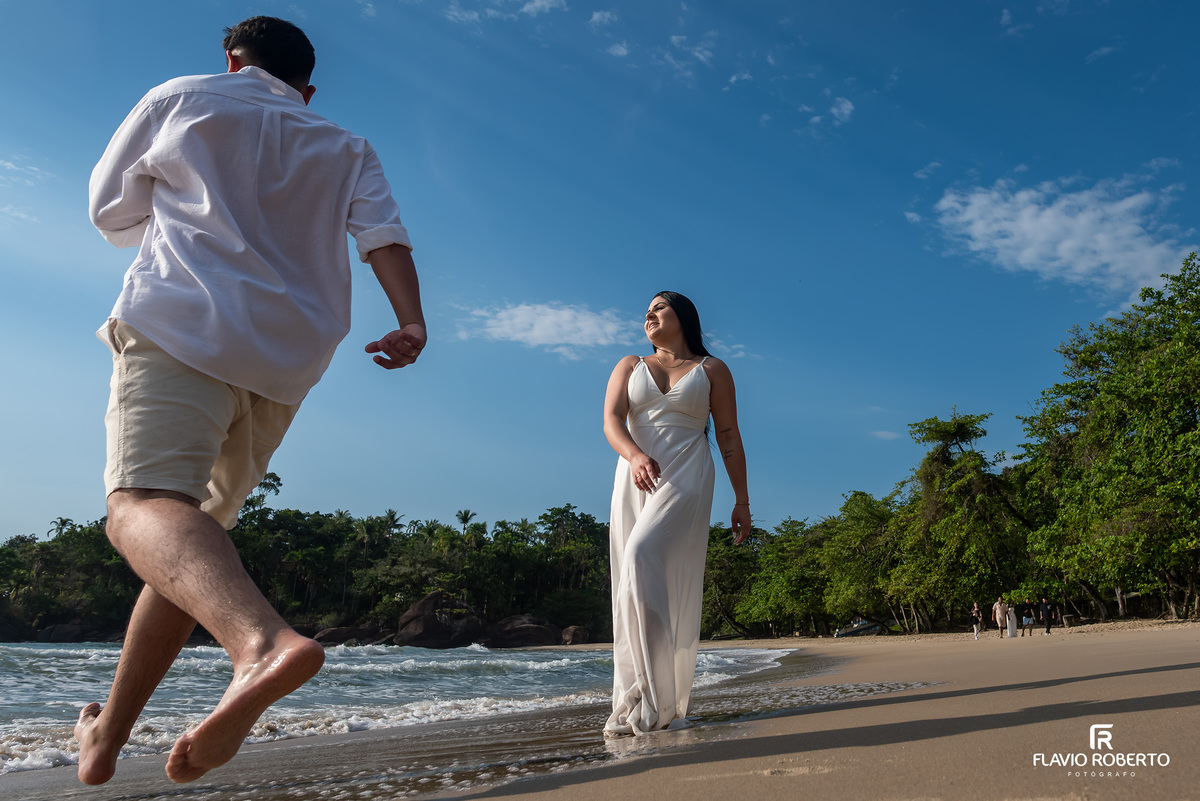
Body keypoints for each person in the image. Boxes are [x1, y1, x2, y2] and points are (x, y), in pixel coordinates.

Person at [75, 17, 425, 785]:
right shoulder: (344, 143)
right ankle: (105, 739)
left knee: (137, 507)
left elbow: (109, 211)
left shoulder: (182, 96)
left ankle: (260, 644)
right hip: (283, 361)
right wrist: (410, 321)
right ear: (307, 89)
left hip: (183, 324)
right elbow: (383, 237)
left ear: (233, 60)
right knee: (189, 545)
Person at [602, 291, 750, 736]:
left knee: (640, 556)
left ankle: (653, 699)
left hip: (686, 474)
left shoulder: (712, 370)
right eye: (646, 310)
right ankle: (641, 693)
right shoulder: (629, 365)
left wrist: (741, 499)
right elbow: (611, 420)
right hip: (634, 476)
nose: (649, 315)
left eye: (659, 308)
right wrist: (634, 456)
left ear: (683, 316)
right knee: (632, 579)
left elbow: (727, 434)